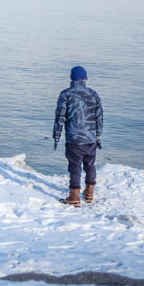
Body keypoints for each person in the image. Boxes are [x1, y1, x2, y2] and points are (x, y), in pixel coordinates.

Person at [52, 65, 103, 207]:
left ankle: (74, 197)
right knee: (90, 165)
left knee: (75, 167)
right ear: (85, 78)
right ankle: (89, 193)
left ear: (71, 78)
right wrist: (98, 135)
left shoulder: (65, 94)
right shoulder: (93, 94)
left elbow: (60, 117)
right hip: (91, 138)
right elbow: (99, 117)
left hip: (74, 139)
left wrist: (56, 136)